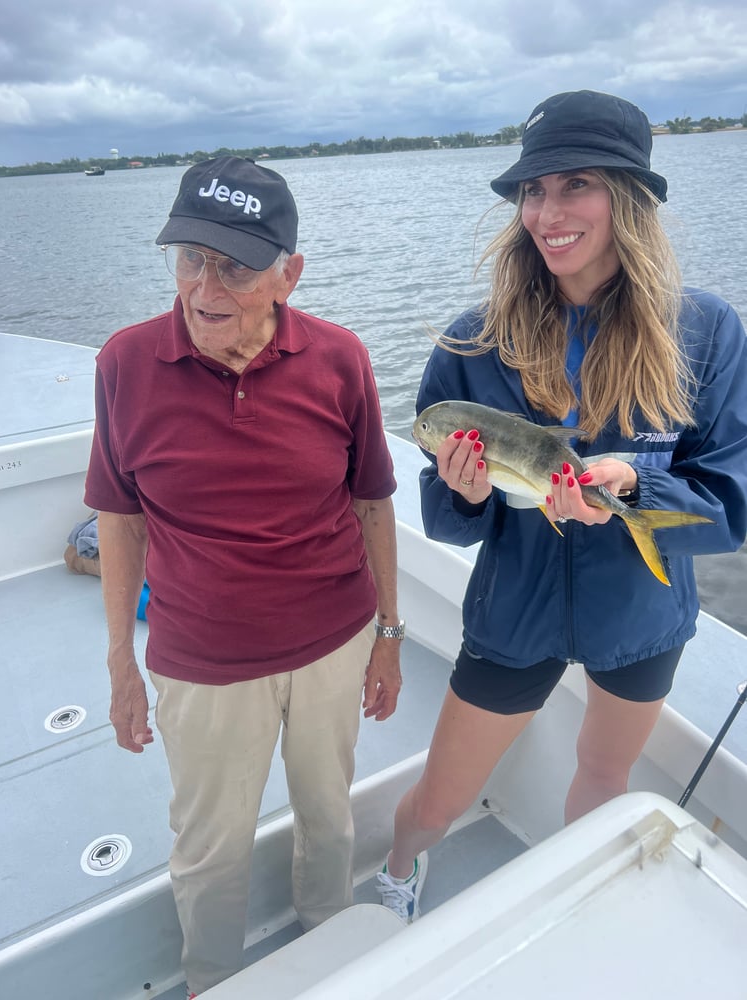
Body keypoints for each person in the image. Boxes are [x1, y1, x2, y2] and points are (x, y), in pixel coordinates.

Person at [376, 89, 747, 922]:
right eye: (532, 190)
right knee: (439, 798)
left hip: (642, 615)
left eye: (573, 183)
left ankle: (582, 909)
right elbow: (442, 519)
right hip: (514, 618)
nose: (547, 211)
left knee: (604, 778)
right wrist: (468, 493)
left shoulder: (707, 331)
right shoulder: (470, 343)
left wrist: (635, 485)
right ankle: (399, 870)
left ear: (630, 195)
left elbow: (731, 501)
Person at [84, 155, 405, 996]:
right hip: (203, 661)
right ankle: (210, 979)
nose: (202, 286)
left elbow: (374, 504)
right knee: (209, 846)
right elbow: (118, 520)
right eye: (189, 256)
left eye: (234, 263)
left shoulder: (341, 361)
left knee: (330, 818)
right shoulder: (124, 363)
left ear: (289, 275)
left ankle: (327, 951)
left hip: (335, 643)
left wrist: (390, 638)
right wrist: (121, 659)